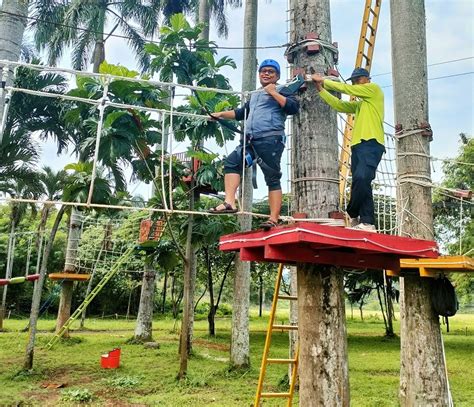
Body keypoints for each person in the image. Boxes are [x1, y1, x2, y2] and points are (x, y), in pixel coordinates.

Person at [209, 59, 300, 230]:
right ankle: (229, 202)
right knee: (232, 162)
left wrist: (274, 92)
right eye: (263, 71)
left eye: (270, 72)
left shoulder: (284, 90)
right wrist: (220, 114)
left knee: (272, 178)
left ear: (277, 76)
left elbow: (293, 108)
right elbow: (242, 113)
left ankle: (274, 218)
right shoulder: (255, 94)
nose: (266, 73)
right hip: (251, 141)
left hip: (270, 141)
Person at [311, 67, 385, 232]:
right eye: (354, 81)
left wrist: (323, 80)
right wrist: (321, 90)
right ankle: (366, 222)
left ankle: (352, 212)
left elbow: (347, 89)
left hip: (372, 143)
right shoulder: (361, 105)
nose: (356, 83)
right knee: (362, 183)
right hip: (358, 146)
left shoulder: (374, 89)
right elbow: (339, 105)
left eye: (359, 80)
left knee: (361, 178)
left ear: (368, 79)